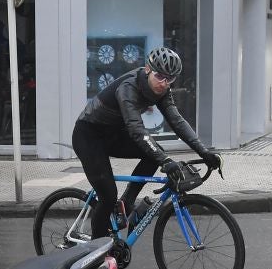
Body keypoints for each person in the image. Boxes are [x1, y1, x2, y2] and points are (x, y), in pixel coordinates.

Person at [72, 46, 221, 239]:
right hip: (89, 135)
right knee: (108, 196)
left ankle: (127, 202)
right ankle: (97, 252)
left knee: (154, 154)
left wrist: (204, 152)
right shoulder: (128, 87)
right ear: (148, 69)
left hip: (113, 134)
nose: (164, 83)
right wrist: (165, 160)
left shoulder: (163, 89)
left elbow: (177, 121)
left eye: (170, 79)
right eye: (160, 76)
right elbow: (136, 129)